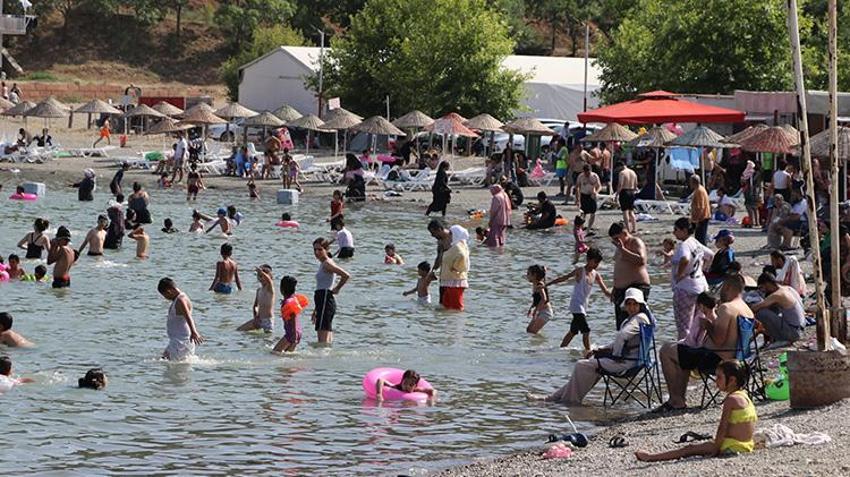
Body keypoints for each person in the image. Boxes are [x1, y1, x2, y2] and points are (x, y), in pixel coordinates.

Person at [527, 288, 652, 404]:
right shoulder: (637, 318)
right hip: (634, 361)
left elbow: (622, 337)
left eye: (634, 304)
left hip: (627, 363)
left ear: (640, 305)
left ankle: (569, 401)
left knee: (581, 365)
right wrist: (599, 349)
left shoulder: (638, 318)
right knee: (589, 363)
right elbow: (618, 342)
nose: (631, 307)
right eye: (629, 304)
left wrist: (615, 356)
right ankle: (554, 398)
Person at [656, 276, 752, 412]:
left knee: (666, 350)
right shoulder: (747, 309)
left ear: (729, 287)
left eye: (723, 287)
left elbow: (719, 340)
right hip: (738, 360)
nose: (721, 291)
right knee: (683, 353)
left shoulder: (727, 308)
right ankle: (678, 399)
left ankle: (676, 400)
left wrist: (708, 326)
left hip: (718, 361)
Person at [636, 360, 756, 461]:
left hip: (733, 446)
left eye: (719, 377)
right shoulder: (744, 396)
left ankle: (650, 457)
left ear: (732, 380)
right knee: (700, 446)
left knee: (689, 449)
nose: (716, 381)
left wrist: (715, 448)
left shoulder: (731, 399)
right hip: (746, 444)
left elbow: (722, 428)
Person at [548, 248, 612, 353]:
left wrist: (614, 297)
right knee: (586, 330)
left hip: (583, 306)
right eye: (595, 262)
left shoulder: (596, 274)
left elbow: (605, 291)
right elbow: (565, 277)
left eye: (598, 262)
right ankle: (589, 353)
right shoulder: (580, 270)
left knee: (573, 331)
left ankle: (560, 349)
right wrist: (548, 284)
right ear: (588, 259)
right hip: (576, 305)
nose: (596, 264)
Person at [670, 217, 709, 340]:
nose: (673, 232)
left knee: (684, 326)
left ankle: (683, 352)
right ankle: (697, 347)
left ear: (684, 230)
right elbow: (710, 255)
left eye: (676, 229)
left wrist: (679, 275)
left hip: (685, 289)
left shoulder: (684, 245)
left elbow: (685, 258)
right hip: (700, 286)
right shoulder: (695, 242)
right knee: (697, 324)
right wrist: (702, 271)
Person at [608, 222, 650, 329]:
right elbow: (620, 267)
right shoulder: (620, 246)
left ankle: (638, 344)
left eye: (617, 238)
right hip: (621, 290)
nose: (615, 241)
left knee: (633, 324)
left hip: (636, 286)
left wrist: (623, 250)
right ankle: (623, 345)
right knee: (622, 324)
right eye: (614, 239)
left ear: (624, 233)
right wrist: (615, 287)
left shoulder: (635, 242)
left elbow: (641, 260)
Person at [312, 238, 350, 344]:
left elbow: (346, 275)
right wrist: (316, 309)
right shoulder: (323, 263)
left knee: (322, 341)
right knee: (326, 339)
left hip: (325, 298)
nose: (316, 252)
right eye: (315, 250)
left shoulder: (327, 264)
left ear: (326, 249)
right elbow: (321, 285)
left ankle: (321, 358)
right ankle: (326, 359)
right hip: (322, 301)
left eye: (320, 249)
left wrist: (337, 288)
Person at [750, 272, 806, 345]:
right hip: (800, 329)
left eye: (762, 287)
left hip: (794, 333)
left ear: (767, 284)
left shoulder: (777, 295)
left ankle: (780, 338)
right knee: (772, 309)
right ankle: (775, 337)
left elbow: (755, 308)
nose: (762, 291)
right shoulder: (788, 288)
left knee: (761, 313)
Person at [158, 278, 204, 361]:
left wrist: (194, 331)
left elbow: (188, 316)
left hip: (181, 341)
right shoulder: (179, 298)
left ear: (169, 291)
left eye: (165, 295)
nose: (166, 298)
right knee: (164, 360)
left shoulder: (180, 300)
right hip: (177, 340)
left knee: (173, 369)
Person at [428, 220, 470, 311]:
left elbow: (463, 256)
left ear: (439, 229)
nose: (432, 235)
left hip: (455, 277)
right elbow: (439, 257)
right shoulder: (440, 242)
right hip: (445, 277)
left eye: (433, 233)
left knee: (456, 306)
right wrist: (433, 271)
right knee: (443, 305)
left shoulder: (456, 238)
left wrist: (456, 268)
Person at [238, 265, 276, 333]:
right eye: (259, 276)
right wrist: (256, 318)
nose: (261, 278)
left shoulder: (270, 288)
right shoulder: (259, 290)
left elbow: (269, 280)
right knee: (239, 330)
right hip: (259, 319)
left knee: (267, 339)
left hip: (268, 320)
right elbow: (255, 306)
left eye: (263, 276)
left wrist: (261, 272)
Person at [273, 275, 303, 352]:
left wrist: (294, 335)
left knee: (275, 352)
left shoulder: (288, 303)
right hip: (297, 332)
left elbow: (293, 317)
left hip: (291, 334)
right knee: (287, 355)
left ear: (281, 289)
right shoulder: (293, 300)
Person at [525, 265, 553, 334]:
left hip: (545, 312)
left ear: (534, 275)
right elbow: (536, 300)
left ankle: (541, 343)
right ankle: (538, 342)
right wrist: (531, 308)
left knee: (533, 331)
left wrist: (536, 310)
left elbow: (544, 299)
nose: (526, 276)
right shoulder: (534, 284)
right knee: (528, 330)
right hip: (539, 310)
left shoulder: (539, 285)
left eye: (528, 274)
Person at [575, 164, 601, 231]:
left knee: (593, 213)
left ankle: (589, 228)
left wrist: (596, 192)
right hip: (584, 195)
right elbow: (577, 187)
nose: (587, 174)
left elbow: (599, 186)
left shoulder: (594, 176)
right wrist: (577, 199)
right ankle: (581, 226)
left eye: (588, 173)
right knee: (583, 212)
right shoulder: (581, 176)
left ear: (590, 170)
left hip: (592, 196)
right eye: (585, 173)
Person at [617, 162, 638, 233]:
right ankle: (634, 228)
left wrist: (617, 194)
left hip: (624, 192)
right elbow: (635, 184)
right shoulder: (633, 172)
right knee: (631, 211)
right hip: (632, 191)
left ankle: (628, 229)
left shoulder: (622, 173)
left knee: (625, 211)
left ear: (621, 166)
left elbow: (621, 184)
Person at [689, 175, 711, 245]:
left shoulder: (699, 191)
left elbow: (700, 207)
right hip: (703, 217)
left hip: (702, 218)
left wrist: (697, 220)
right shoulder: (700, 189)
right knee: (699, 237)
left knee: (700, 239)